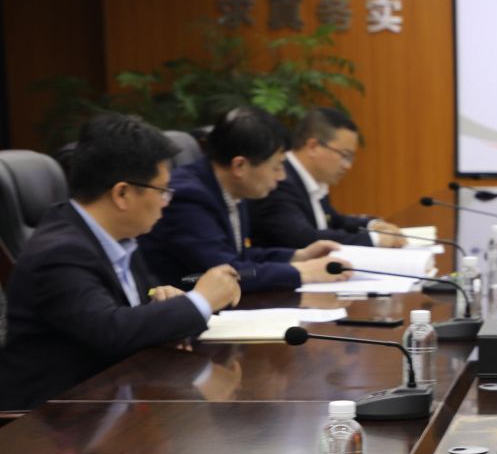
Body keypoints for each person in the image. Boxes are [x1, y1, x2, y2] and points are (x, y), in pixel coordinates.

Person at [0, 115, 242, 410]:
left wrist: (169, 305)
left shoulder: (119, 238)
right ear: (122, 193)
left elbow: (137, 319)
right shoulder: (60, 252)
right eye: (162, 191)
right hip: (52, 418)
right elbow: (111, 331)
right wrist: (201, 300)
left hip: (110, 401)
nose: (166, 203)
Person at [141, 107, 352, 293]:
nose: (281, 177)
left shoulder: (230, 188)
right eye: (276, 167)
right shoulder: (188, 199)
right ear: (240, 166)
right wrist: (301, 272)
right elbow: (227, 273)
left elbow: (240, 256)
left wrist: (298, 256)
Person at [249, 106, 404, 250]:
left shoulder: (311, 179)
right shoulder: (278, 181)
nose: (347, 166)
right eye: (344, 155)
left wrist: (372, 225)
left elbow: (335, 221)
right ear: (313, 147)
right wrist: (374, 239)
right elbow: (304, 238)